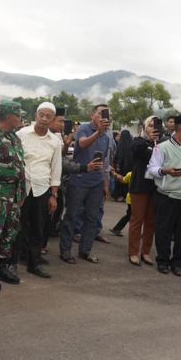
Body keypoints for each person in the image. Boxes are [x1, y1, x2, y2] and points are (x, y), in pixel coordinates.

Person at [59, 104, 111, 264]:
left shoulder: (107, 137)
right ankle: (65, 251)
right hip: (79, 180)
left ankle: (85, 251)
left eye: (107, 114)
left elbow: (103, 162)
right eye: (100, 113)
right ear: (92, 115)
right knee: (72, 216)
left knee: (92, 218)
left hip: (96, 182)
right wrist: (98, 132)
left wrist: (105, 184)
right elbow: (82, 144)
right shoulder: (83, 129)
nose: (104, 117)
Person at [15, 102, 61, 279]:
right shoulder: (21, 134)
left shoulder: (55, 142)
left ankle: (34, 264)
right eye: (41, 114)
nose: (44, 118)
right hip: (22, 187)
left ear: (52, 119)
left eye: (48, 116)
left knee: (38, 228)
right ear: (35, 115)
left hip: (42, 189)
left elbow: (56, 169)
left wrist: (54, 195)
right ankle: (12, 262)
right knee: (17, 226)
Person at [0, 100, 26, 285]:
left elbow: (20, 165)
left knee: (10, 232)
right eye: (18, 115)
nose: (21, 118)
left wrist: (22, 193)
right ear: (9, 116)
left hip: (14, 193)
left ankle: (2, 267)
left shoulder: (14, 137)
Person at [146, 113, 181, 276]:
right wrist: (165, 171)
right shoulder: (162, 147)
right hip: (166, 195)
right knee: (164, 230)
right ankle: (163, 261)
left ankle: (177, 263)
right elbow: (151, 168)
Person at [124, 116, 159, 266]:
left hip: (156, 187)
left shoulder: (163, 143)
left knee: (151, 221)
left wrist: (156, 143)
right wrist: (149, 140)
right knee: (137, 220)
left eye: (156, 126)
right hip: (139, 186)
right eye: (150, 125)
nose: (153, 128)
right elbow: (139, 152)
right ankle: (133, 252)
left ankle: (145, 252)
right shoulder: (138, 141)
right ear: (144, 127)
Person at [108, 171, 132, 238]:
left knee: (129, 216)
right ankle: (117, 229)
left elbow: (123, 180)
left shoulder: (130, 173)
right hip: (134, 199)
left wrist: (115, 174)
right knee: (131, 216)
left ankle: (117, 229)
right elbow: (123, 180)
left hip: (129, 198)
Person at [113, 130, 133, 202]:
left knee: (120, 181)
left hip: (121, 168)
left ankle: (119, 196)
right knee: (128, 182)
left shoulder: (120, 145)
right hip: (130, 168)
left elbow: (118, 156)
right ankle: (127, 196)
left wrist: (117, 166)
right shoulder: (132, 145)